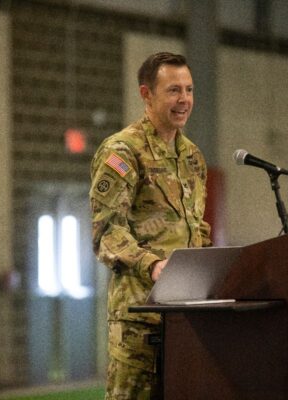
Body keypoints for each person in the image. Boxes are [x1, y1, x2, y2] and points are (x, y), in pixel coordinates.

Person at [89, 52, 212, 399]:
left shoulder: (192, 157)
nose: (184, 99)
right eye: (173, 90)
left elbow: (197, 228)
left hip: (188, 320)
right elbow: (107, 232)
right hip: (139, 322)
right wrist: (153, 265)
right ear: (146, 95)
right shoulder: (122, 152)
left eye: (189, 90)